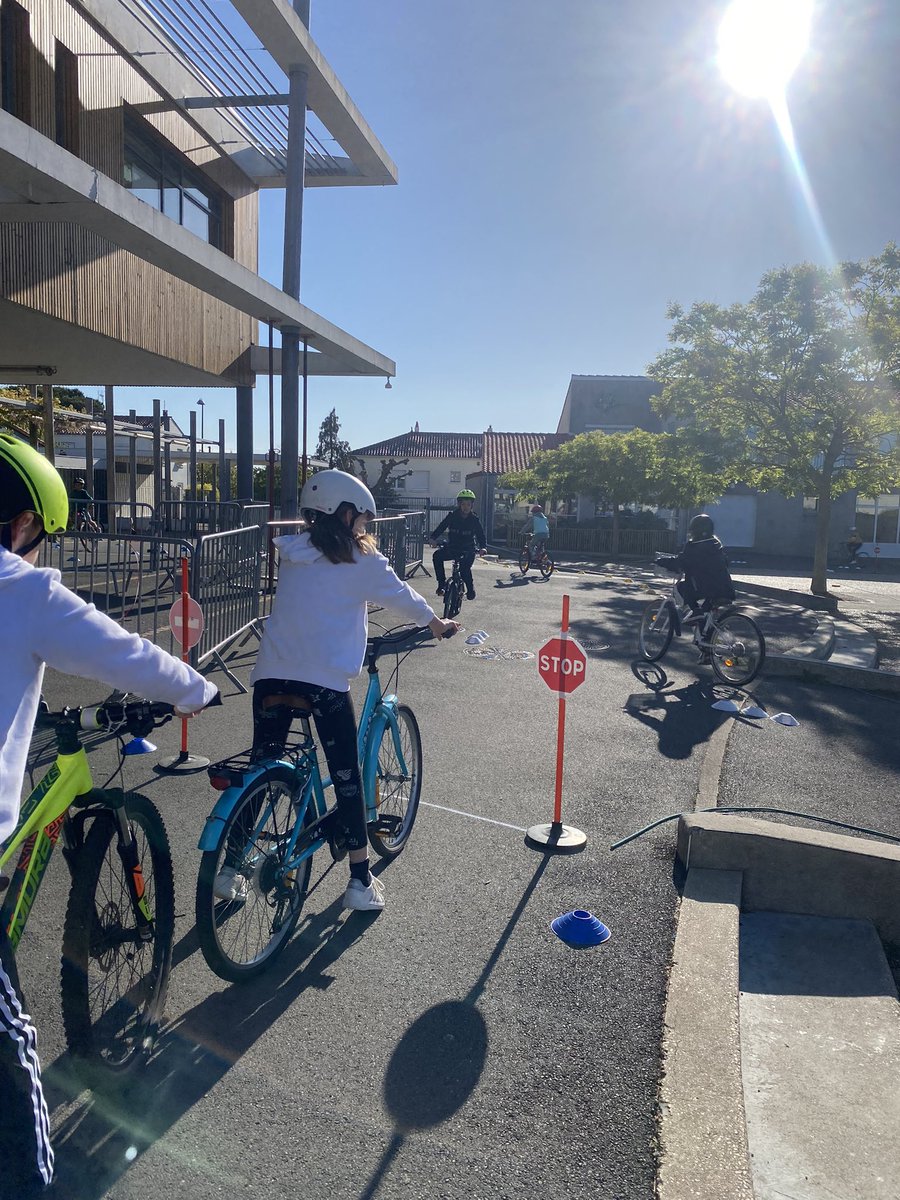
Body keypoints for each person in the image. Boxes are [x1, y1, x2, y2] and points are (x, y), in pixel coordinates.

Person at [0, 434, 219, 1196]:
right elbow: (122, 651)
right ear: (24, 523)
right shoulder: (20, 588)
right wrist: (196, 690)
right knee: (10, 1057)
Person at [237, 469, 458, 916]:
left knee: (261, 766)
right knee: (347, 779)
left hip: (270, 678)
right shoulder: (361, 561)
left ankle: (230, 867)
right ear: (342, 513)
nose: (362, 528)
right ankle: (359, 879)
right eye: (359, 519)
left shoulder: (293, 552)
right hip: (324, 683)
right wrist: (436, 624)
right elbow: (402, 597)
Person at [656, 513, 736, 661]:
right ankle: (706, 649)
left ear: (695, 531)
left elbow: (680, 562)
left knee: (680, 587)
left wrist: (662, 561)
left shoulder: (693, 546)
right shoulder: (717, 545)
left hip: (705, 588)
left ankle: (694, 611)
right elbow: (725, 563)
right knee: (706, 619)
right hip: (726, 589)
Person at [429, 489, 487, 601]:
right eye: (463, 504)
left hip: (468, 550)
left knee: (464, 570)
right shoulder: (452, 516)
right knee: (437, 556)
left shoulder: (474, 520)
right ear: (459, 504)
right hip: (453, 548)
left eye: (468, 505)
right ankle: (441, 585)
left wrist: (483, 547)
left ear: (472, 506)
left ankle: (470, 589)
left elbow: (480, 535)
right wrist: (433, 538)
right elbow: (441, 527)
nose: (465, 507)